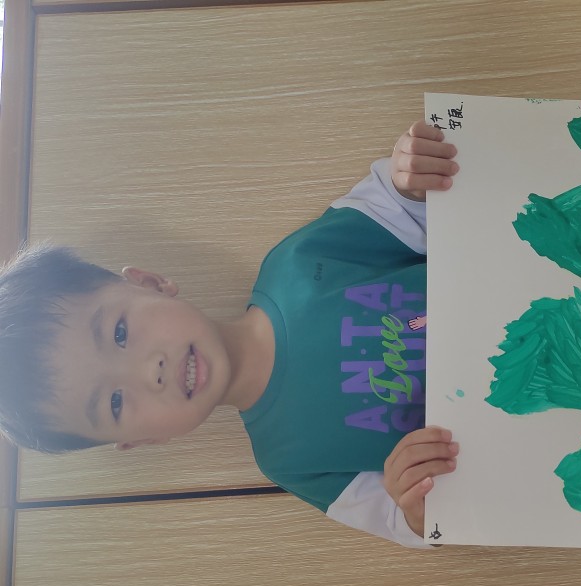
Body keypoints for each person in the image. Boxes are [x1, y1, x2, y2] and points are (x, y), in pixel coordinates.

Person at [0, 121, 460, 548]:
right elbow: (407, 522)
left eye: (119, 333)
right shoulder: (288, 460)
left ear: (149, 283)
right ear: (143, 439)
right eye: (116, 402)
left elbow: (396, 206)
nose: (150, 371)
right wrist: (415, 508)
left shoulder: (296, 264)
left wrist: (408, 178)